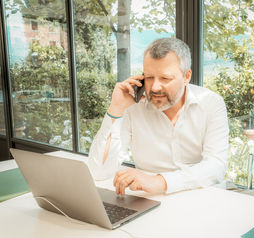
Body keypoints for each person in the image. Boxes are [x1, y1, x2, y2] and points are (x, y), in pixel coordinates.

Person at [88, 38, 229, 195]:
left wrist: (161, 182)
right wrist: (116, 108)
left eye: (165, 78)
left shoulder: (210, 103)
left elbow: (216, 166)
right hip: (149, 200)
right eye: (149, 77)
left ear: (186, 76)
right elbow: (99, 171)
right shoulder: (133, 106)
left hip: (200, 196)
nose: (154, 87)